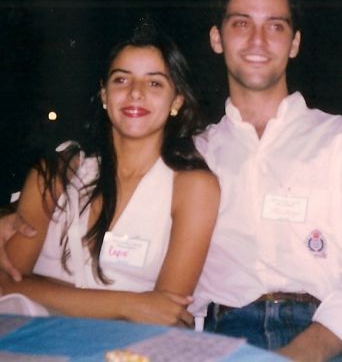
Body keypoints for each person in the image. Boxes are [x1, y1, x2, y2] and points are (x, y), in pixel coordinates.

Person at [187, 0, 342, 361]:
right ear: (217, 38)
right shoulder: (195, 154)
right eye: (241, 24)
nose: (258, 40)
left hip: (326, 334)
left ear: (294, 43)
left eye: (275, 26)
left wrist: (304, 353)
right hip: (223, 336)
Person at [0, 20, 220, 325]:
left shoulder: (192, 187)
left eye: (154, 83)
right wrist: (130, 304)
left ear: (177, 101)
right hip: (33, 339)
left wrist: (41, 289)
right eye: (121, 79)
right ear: (104, 94)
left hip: (128, 346)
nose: (135, 93)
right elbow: (6, 285)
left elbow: (167, 314)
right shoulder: (57, 172)